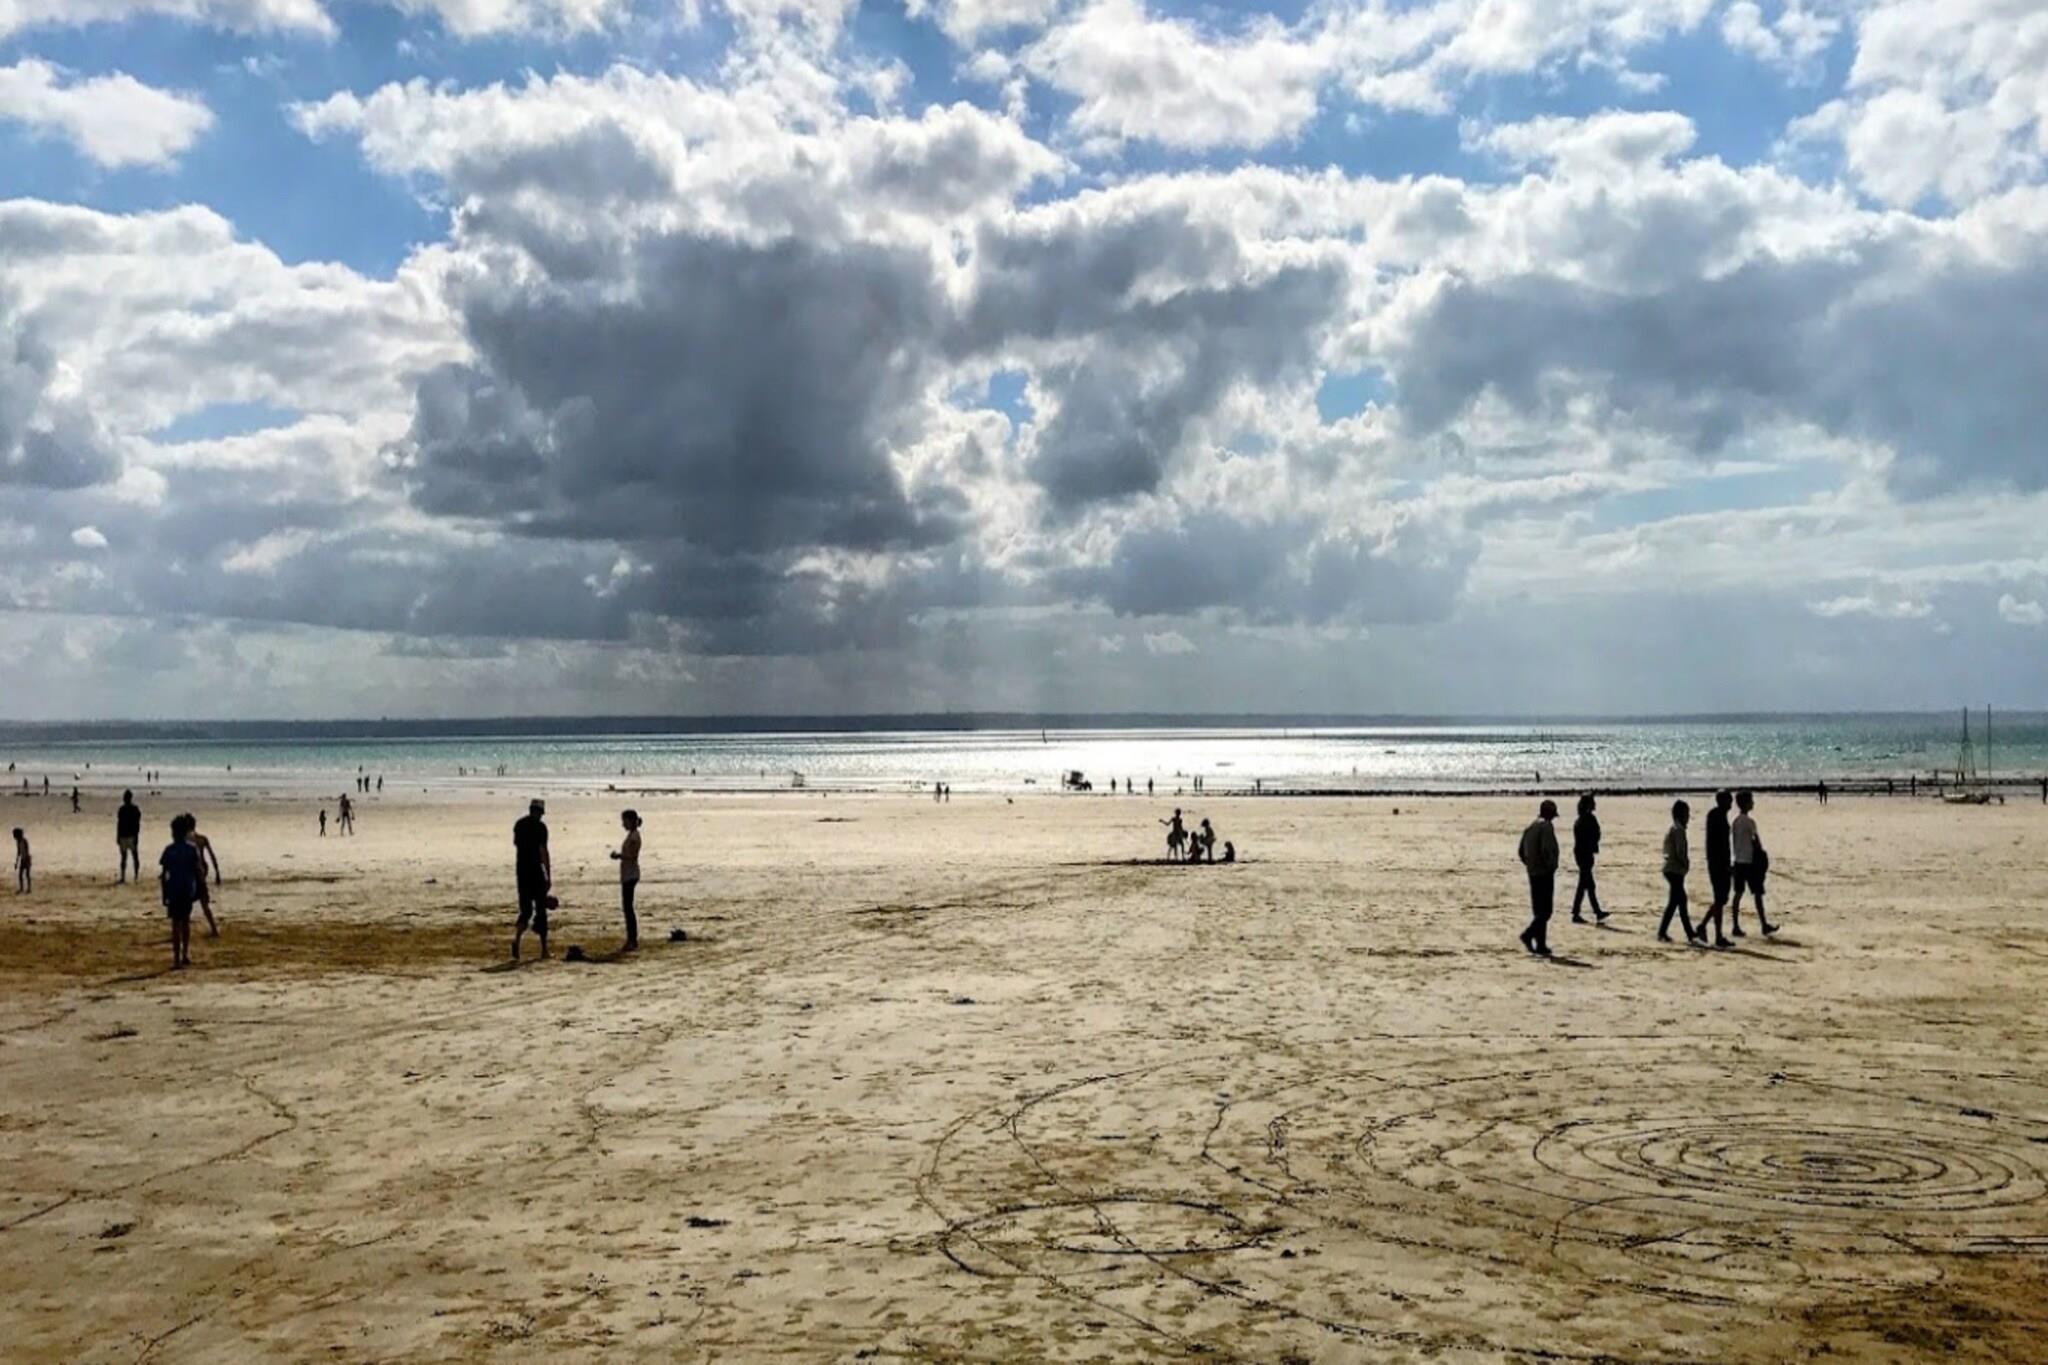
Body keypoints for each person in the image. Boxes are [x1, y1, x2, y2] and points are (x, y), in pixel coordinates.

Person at [1729, 789, 1778, 936]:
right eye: (1751, 801)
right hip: (1749, 862)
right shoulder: (1749, 822)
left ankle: (1735, 925)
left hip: (1738, 860)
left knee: (1738, 893)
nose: (1753, 803)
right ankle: (1763, 924)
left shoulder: (1735, 822)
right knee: (1757, 893)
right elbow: (1755, 841)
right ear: (1746, 803)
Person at [1517, 799, 1561, 956]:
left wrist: (1529, 864)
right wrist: (1551, 866)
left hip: (1533, 872)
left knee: (1539, 910)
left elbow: (1521, 851)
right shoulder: (1546, 827)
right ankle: (1528, 935)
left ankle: (1540, 944)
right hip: (1544, 873)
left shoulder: (1531, 827)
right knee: (1546, 911)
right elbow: (1547, 849)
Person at [160, 815, 202, 969]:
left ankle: (177, 958)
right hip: (186, 889)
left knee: (176, 924)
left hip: (174, 889)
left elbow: (164, 875)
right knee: (185, 922)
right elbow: (198, 871)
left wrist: (164, 893)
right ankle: (184, 954)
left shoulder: (169, 850)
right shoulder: (191, 849)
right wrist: (199, 889)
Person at [512, 799, 552, 960]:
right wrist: (548, 874)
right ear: (540, 812)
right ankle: (544, 950)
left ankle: (517, 939)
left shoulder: (519, 824)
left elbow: (516, 845)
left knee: (525, 910)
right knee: (541, 910)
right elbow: (543, 851)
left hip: (522, 871)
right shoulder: (541, 828)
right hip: (536, 871)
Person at [1695, 791, 1735, 949]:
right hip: (1718, 863)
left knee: (1721, 899)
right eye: (1729, 801)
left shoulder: (1717, 815)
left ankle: (1704, 927)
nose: (1731, 804)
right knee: (1720, 899)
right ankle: (1716, 934)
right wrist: (1725, 864)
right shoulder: (1716, 816)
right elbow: (1718, 844)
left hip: (1718, 862)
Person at [1659, 800, 1700, 944]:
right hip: (1674, 870)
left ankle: (1666, 931)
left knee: (1676, 901)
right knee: (1680, 901)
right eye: (1686, 814)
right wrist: (1685, 863)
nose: (1688, 817)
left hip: (1672, 869)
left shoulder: (1675, 828)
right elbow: (1680, 851)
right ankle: (1689, 933)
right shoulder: (1679, 830)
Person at [609, 809, 643, 950]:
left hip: (630, 875)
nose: (623, 824)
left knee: (628, 908)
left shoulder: (634, 837)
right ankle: (631, 938)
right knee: (627, 907)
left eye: (624, 821)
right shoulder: (632, 835)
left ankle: (632, 939)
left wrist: (619, 856)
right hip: (628, 874)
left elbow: (633, 856)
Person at [1570, 794, 1606, 924]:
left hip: (1583, 854)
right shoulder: (1586, 820)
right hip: (1584, 854)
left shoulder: (1582, 819)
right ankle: (1582, 912)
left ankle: (1594, 912)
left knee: (1587, 884)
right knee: (1585, 884)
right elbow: (1594, 835)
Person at [186, 814, 223, 939]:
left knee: (185, 902)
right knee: (204, 903)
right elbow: (212, 856)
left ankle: (182, 929)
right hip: (202, 871)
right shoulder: (202, 839)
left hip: (191, 872)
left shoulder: (185, 840)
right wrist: (217, 872)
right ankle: (214, 929)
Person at [116, 789, 142, 884]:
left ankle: (125, 877)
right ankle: (135, 876)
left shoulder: (122, 809)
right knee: (134, 856)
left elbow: (119, 824)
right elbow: (137, 824)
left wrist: (118, 836)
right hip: (130, 835)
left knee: (125, 857)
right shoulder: (134, 809)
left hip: (125, 835)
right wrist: (137, 835)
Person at [12, 827, 28, 894]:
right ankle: (22, 888)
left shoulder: (23, 841)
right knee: (21, 875)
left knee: (26, 875)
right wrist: (16, 862)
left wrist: (25, 860)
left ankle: (28, 888)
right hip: (23, 859)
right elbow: (18, 853)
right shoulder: (19, 842)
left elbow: (25, 851)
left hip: (26, 859)